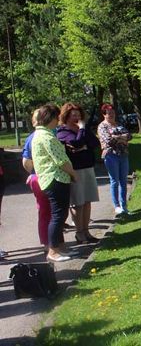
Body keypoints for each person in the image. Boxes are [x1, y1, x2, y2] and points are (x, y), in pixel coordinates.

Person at [31, 103, 78, 262]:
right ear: (50, 118)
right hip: (55, 179)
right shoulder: (46, 136)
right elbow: (61, 160)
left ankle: (59, 248)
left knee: (59, 215)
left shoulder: (40, 134)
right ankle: (53, 251)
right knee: (58, 216)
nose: (58, 120)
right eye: (57, 117)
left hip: (52, 179)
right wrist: (73, 173)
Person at [57, 103, 100, 243]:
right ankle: (79, 233)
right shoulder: (63, 132)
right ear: (66, 116)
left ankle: (86, 231)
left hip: (88, 168)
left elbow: (95, 143)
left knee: (87, 201)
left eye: (78, 114)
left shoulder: (83, 129)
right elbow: (76, 143)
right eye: (73, 114)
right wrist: (81, 132)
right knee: (77, 203)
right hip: (75, 170)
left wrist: (83, 142)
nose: (77, 117)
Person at [22, 108, 54, 253]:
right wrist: (36, 172)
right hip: (44, 178)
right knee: (47, 212)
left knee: (50, 212)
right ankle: (49, 244)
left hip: (41, 177)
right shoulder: (38, 136)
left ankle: (52, 243)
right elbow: (26, 161)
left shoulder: (42, 135)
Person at [97, 104, 132, 215]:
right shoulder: (102, 126)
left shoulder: (119, 124)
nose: (111, 115)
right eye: (109, 113)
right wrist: (122, 137)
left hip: (123, 154)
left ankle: (124, 205)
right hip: (111, 156)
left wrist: (117, 137)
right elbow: (108, 141)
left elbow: (130, 136)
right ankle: (116, 206)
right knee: (114, 181)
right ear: (104, 114)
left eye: (113, 113)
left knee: (123, 180)